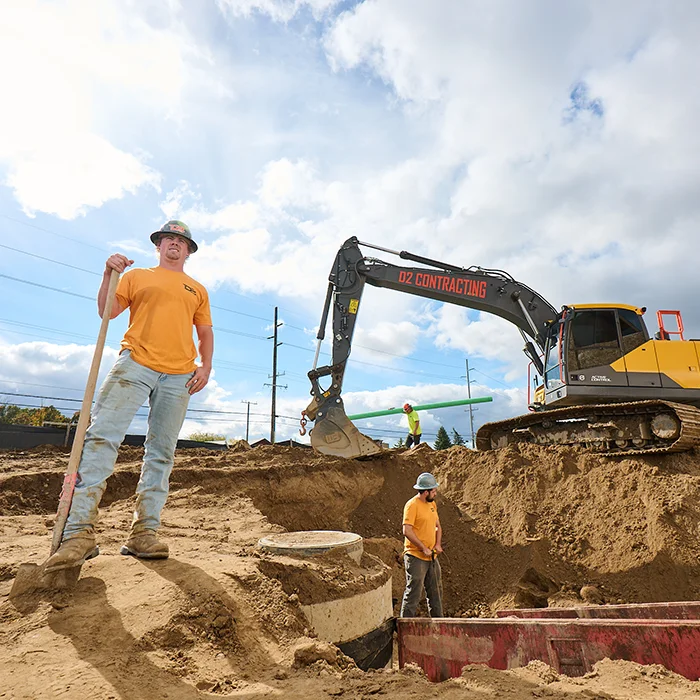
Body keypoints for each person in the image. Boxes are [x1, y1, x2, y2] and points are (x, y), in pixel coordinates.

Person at [45, 220, 214, 572]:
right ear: (159, 246)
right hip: (135, 363)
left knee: (162, 452)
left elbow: (205, 331)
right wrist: (109, 273)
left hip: (180, 374)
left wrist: (206, 365)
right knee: (101, 437)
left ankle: (144, 532)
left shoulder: (197, 289)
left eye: (181, 242)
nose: (174, 245)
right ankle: (79, 533)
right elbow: (107, 309)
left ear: (188, 251)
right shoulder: (137, 278)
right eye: (168, 239)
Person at [400, 472, 444, 618]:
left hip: (432, 557)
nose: (435, 493)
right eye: (434, 491)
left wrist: (437, 544)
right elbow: (407, 530)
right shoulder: (412, 505)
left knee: (436, 593)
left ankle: (439, 626)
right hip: (415, 556)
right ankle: (406, 629)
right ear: (426, 492)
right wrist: (423, 547)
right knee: (413, 593)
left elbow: (437, 526)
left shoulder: (432, 505)